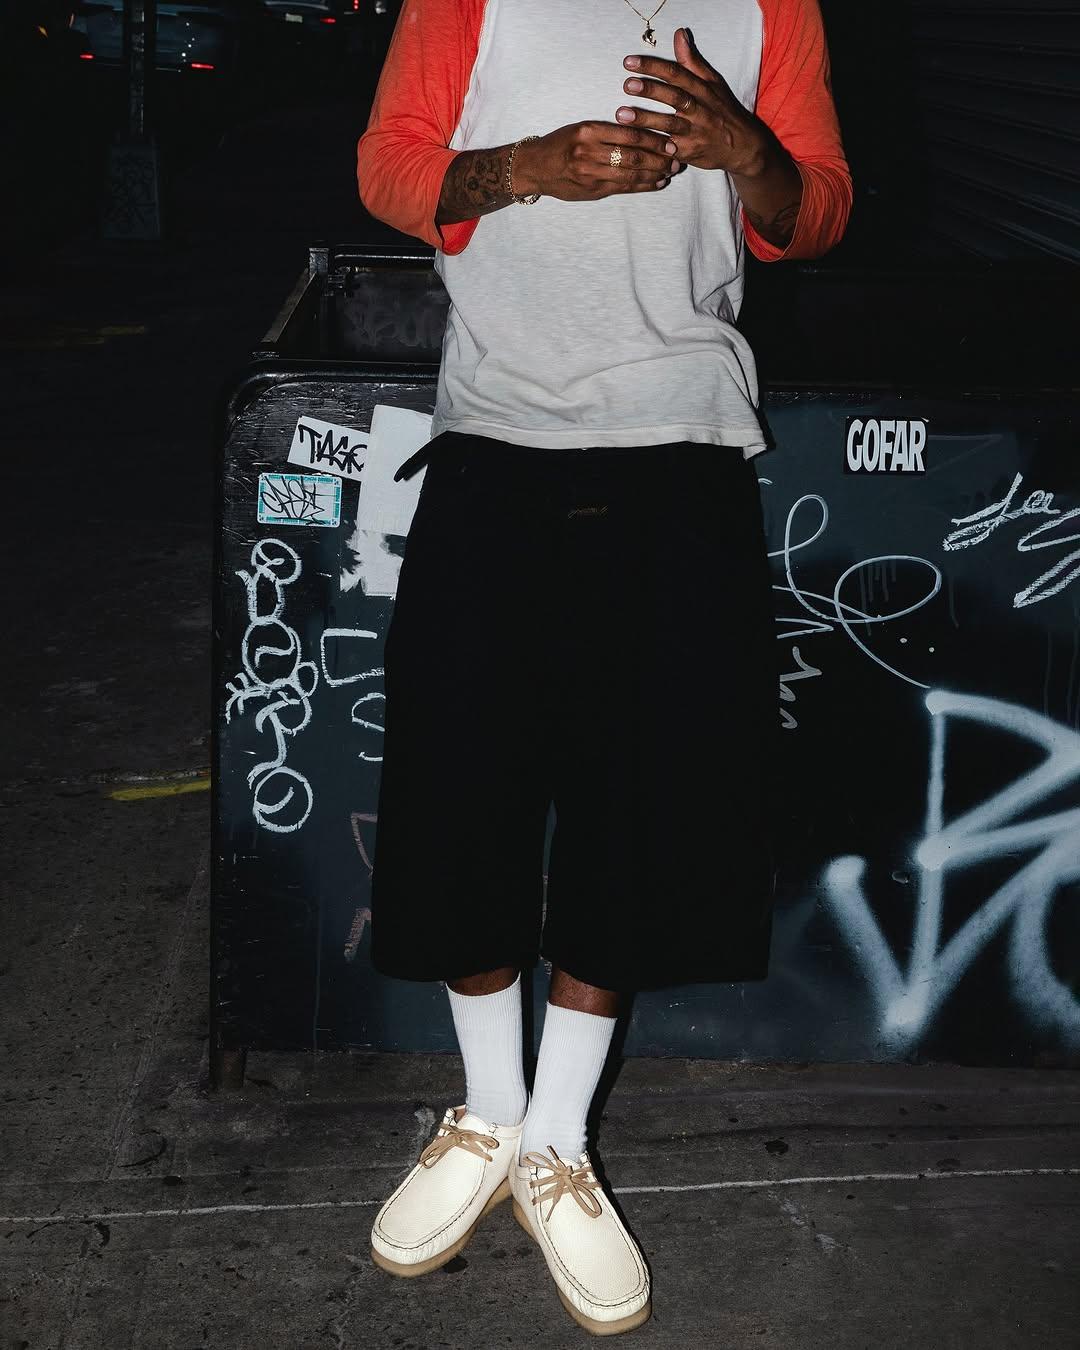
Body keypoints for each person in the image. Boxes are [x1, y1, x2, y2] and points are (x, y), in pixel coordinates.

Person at [356, 0, 850, 1334]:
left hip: (681, 436)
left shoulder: (771, 7)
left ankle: (557, 1139)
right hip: (497, 434)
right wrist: (525, 166)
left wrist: (749, 153)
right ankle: (488, 1110)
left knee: (641, 806)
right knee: (459, 790)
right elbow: (389, 168)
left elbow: (818, 211)